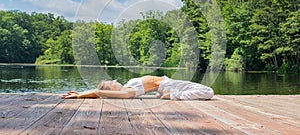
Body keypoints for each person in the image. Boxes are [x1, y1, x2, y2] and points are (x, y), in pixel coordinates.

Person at [62, 75, 214, 100]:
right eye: (112, 82)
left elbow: (98, 92)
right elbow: (98, 92)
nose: (115, 80)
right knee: (208, 91)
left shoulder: (127, 87)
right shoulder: (127, 92)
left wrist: (81, 92)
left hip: (166, 85)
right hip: (169, 85)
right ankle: (174, 95)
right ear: (112, 90)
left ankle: (171, 94)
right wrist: (80, 95)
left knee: (204, 91)